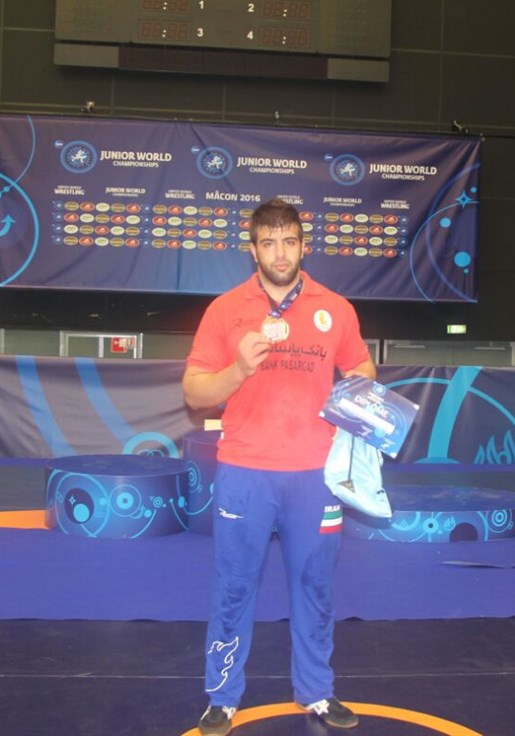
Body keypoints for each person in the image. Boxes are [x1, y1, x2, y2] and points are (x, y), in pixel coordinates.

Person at [183, 198, 377, 735]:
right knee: (233, 587)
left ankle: (316, 691)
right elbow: (195, 393)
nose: (280, 253)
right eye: (268, 243)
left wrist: (357, 391)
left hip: (316, 476)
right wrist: (238, 370)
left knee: (315, 587)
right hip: (245, 472)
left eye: (289, 241)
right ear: (253, 250)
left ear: (303, 245)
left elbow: (362, 365)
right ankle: (222, 697)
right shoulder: (225, 310)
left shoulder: (335, 308)